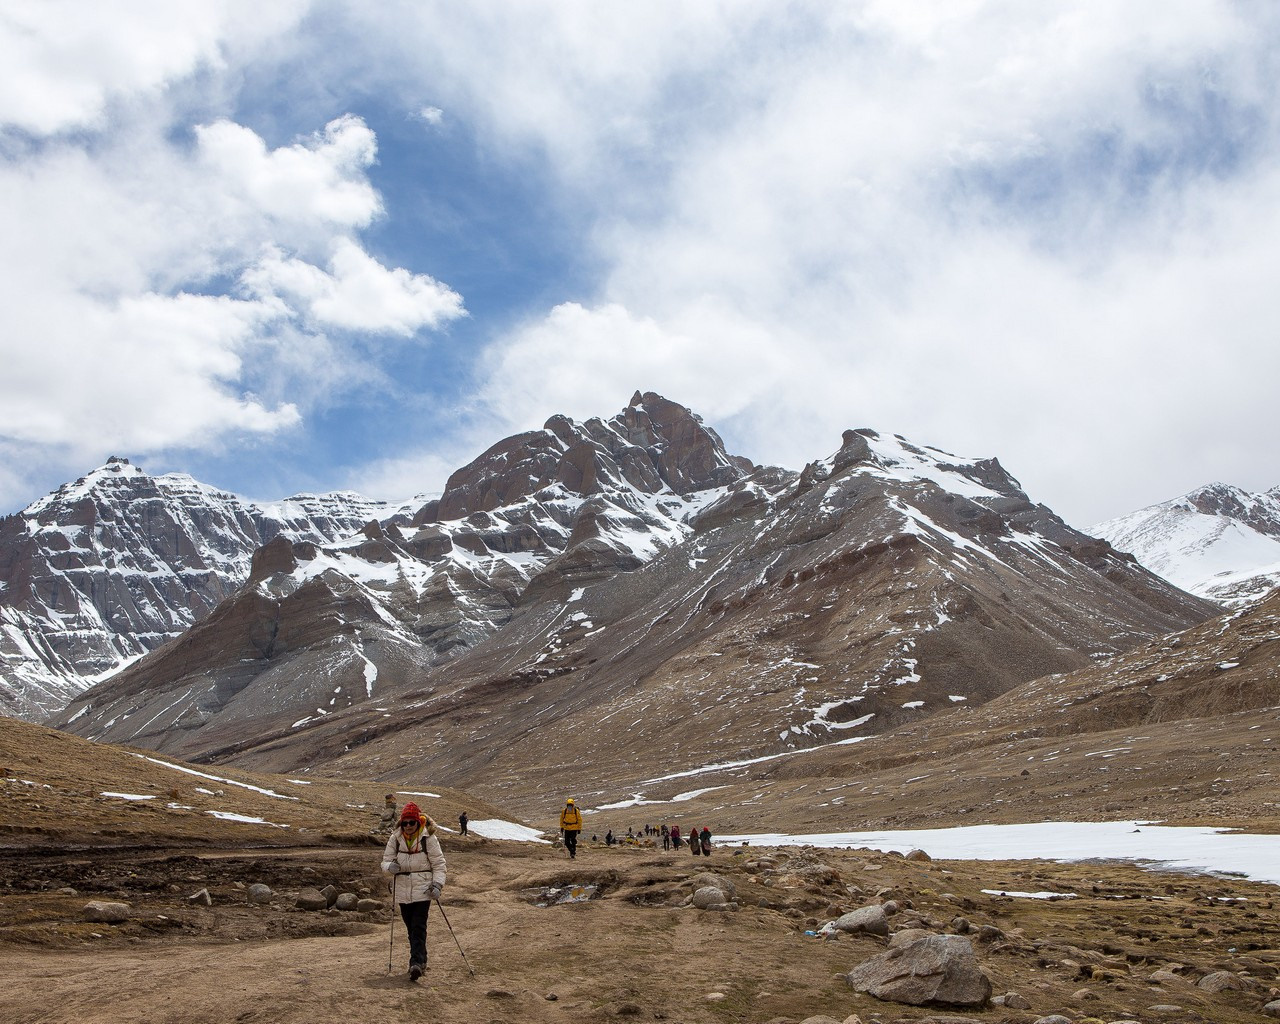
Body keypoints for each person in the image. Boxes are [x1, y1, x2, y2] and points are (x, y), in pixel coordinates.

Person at [381, 802, 446, 981]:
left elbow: (439, 864)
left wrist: (437, 885)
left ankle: (415, 963)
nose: (408, 826)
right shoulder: (395, 838)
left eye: (412, 822)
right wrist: (389, 867)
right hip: (402, 888)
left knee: (418, 925)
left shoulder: (428, 838)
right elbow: (385, 862)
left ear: (418, 822)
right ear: (401, 823)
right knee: (411, 927)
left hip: (423, 889)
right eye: (405, 823)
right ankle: (421, 959)